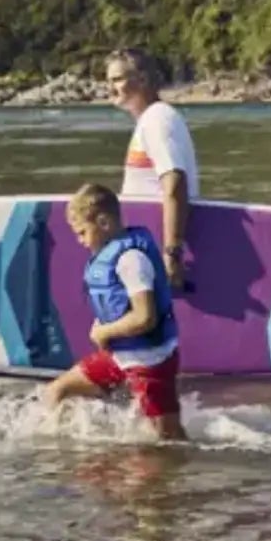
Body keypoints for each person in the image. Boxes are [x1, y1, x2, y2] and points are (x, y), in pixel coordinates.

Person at [41, 183, 186, 441]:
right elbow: (116, 305)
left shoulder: (131, 260)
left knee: (167, 442)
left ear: (104, 222)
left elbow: (145, 317)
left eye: (83, 232)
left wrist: (103, 331)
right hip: (119, 356)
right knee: (58, 391)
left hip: (148, 362)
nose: (80, 241)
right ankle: (54, 452)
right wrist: (103, 326)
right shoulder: (107, 256)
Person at [105, 47, 199, 294]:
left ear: (143, 79)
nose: (110, 88)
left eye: (117, 79)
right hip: (145, 249)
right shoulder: (149, 121)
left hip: (160, 250)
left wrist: (173, 254)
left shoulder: (158, 119)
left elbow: (175, 182)